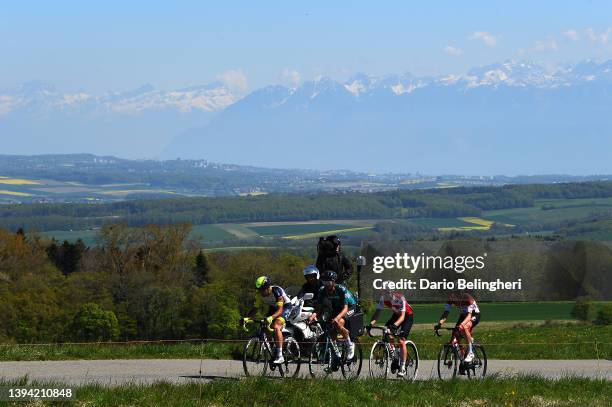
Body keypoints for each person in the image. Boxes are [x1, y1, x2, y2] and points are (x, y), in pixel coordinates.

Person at [308, 270, 357, 359]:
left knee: (338, 322)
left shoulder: (341, 289)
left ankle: (350, 344)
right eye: (324, 281)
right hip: (337, 307)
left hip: (350, 307)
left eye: (328, 282)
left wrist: (337, 318)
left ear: (334, 281)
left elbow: (345, 308)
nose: (326, 284)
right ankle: (335, 352)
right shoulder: (322, 290)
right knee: (331, 331)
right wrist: (312, 316)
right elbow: (318, 308)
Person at [369, 289, 414, 377]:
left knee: (401, 340)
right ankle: (395, 356)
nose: (384, 294)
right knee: (387, 332)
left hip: (407, 317)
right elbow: (377, 313)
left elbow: (402, 317)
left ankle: (402, 368)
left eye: (386, 292)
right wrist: (370, 324)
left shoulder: (400, 298)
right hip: (396, 315)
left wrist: (394, 325)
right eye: (383, 292)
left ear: (391, 292)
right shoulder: (383, 299)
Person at [254, 276, 293, 364]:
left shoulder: (276, 291)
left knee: (276, 325)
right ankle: (273, 349)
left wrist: (271, 318)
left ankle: (280, 356)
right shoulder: (258, 294)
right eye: (259, 289)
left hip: (285, 307)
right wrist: (247, 318)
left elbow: (280, 310)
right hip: (273, 308)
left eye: (262, 289)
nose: (261, 292)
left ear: (268, 287)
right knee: (265, 326)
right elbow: (255, 309)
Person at [435, 292, 481, 363]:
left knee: (465, 327)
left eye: (458, 294)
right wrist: (439, 324)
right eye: (455, 293)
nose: (456, 296)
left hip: (474, 315)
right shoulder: (451, 298)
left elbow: (469, 315)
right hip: (463, 316)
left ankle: (471, 352)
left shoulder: (467, 297)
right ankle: (463, 359)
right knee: (455, 333)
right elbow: (446, 313)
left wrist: (461, 325)